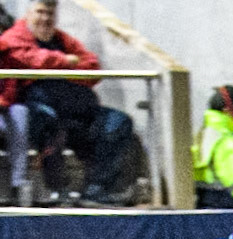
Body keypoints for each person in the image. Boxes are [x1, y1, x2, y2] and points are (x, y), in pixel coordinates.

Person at [0, 0, 135, 205]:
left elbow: (92, 67)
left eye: (50, 14)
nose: (45, 18)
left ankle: (95, 189)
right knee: (48, 122)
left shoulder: (62, 39)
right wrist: (67, 62)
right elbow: (30, 59)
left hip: (79, 109)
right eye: (40, 12)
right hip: (43, 111)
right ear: (28, 13)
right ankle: (57, 189)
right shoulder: (14, 37)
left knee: (118, 121)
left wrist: (63, 68)